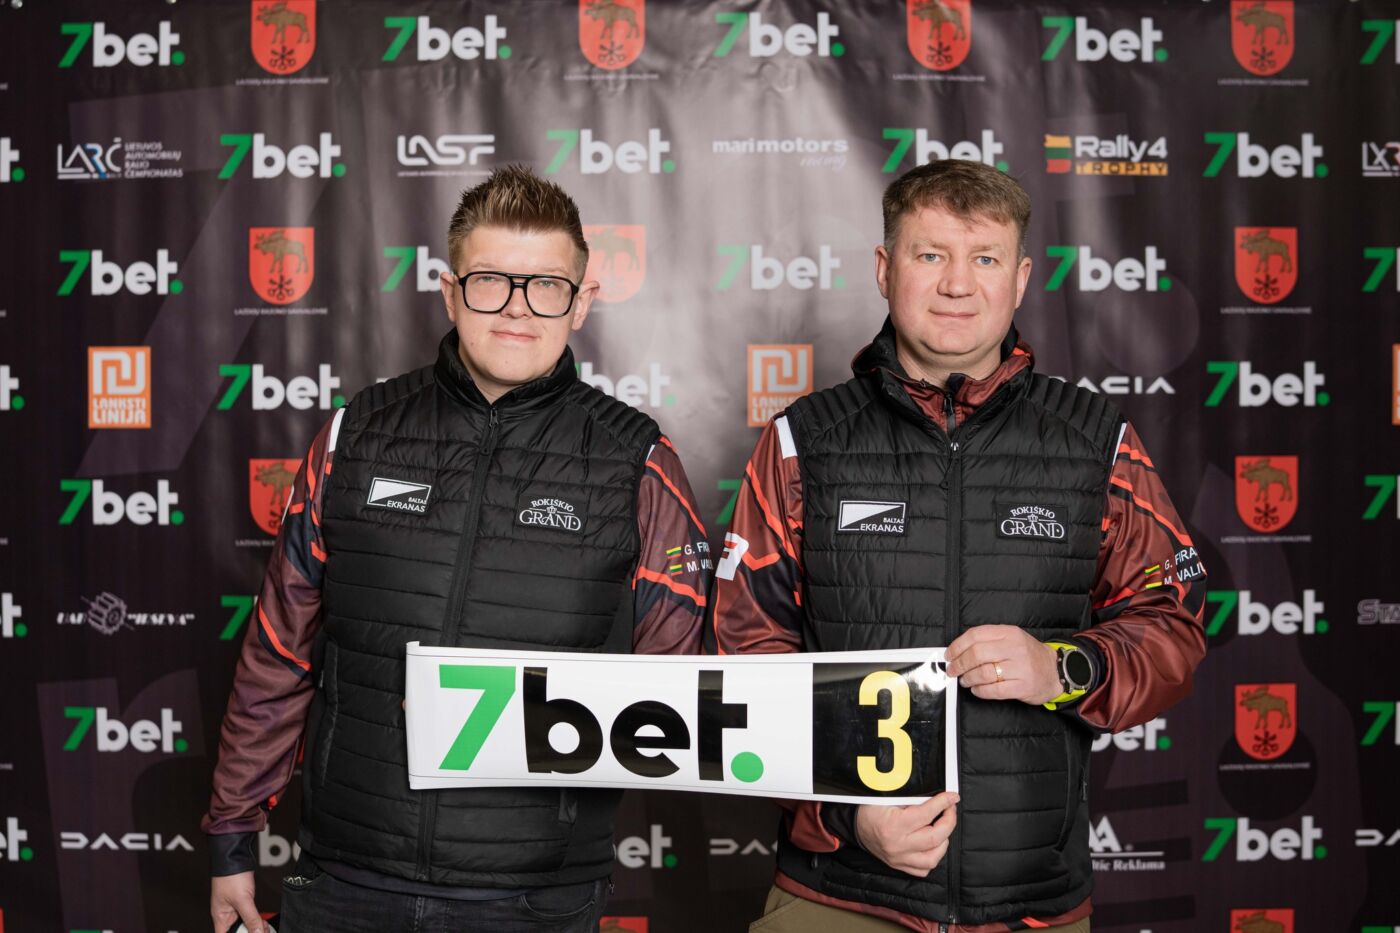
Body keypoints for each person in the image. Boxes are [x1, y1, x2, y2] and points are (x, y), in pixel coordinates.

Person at [204, 165, 710, 933]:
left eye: (546, 285)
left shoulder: (637, 461)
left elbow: (677, 694)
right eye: (490, 281)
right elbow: (279, 651)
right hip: (346, 878)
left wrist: (505, 715)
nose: (517, 307)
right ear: (449, 291)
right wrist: (232, 834)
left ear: (581, 301)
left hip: (533, 898)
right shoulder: (356, 434)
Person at [712, 159, 1206, 932]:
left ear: (1020, 279)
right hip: (838, 893)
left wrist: (1062, 667)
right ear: (885, 269)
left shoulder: (1094, 441)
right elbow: (742, 661)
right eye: (930, 254)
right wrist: (844, 814)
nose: (956, 284)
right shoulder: (802, 442)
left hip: (1031, 904)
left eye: (984, 258)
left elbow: (1172, 623)